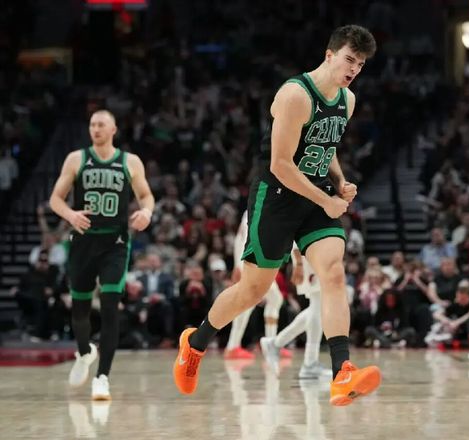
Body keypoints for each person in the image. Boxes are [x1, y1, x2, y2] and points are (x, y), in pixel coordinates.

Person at [172, 25, 381, 406]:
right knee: (252, 290)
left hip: (315, 198)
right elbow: (281, 164)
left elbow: (326, 144)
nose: (354, 69)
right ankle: (195, 343)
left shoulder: (347, 100)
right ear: (330, 54)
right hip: (277, 197)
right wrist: (328, 200)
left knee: (334, 273)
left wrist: (340, 181)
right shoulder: (294, 95)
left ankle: (342, 372)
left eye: (361, 64)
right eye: (350, 59)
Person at [49, 110, 154, 400]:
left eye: (101, 125)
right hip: (83, 242)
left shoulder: (130, 161)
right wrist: (70, 214)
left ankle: (102, 377)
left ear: (113, 130)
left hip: (115, 243)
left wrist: (146, 212)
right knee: (80, 310)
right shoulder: (76, 159)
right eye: (92, 124)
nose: (95, 129)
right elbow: (55, 199)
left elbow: (146, 195)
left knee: (110, 307)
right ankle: (85, 352)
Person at [224, 211, 290, 360]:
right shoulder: (262, 207)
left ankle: (265, 344)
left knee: (271, 299)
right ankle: (238, 346)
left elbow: (240, 237)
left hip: (252, 261)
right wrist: (238, 265)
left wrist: (237, 264)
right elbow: (244, 237)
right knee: (260, 301)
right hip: (252, 262)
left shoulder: (253, 209)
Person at [260, 243, 332, 378]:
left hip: (314, 250)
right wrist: (298, 262)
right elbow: (294, 229)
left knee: (317, 307)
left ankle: (275, 343)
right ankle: (309, 363)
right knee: (318, 305)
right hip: (307, 252)